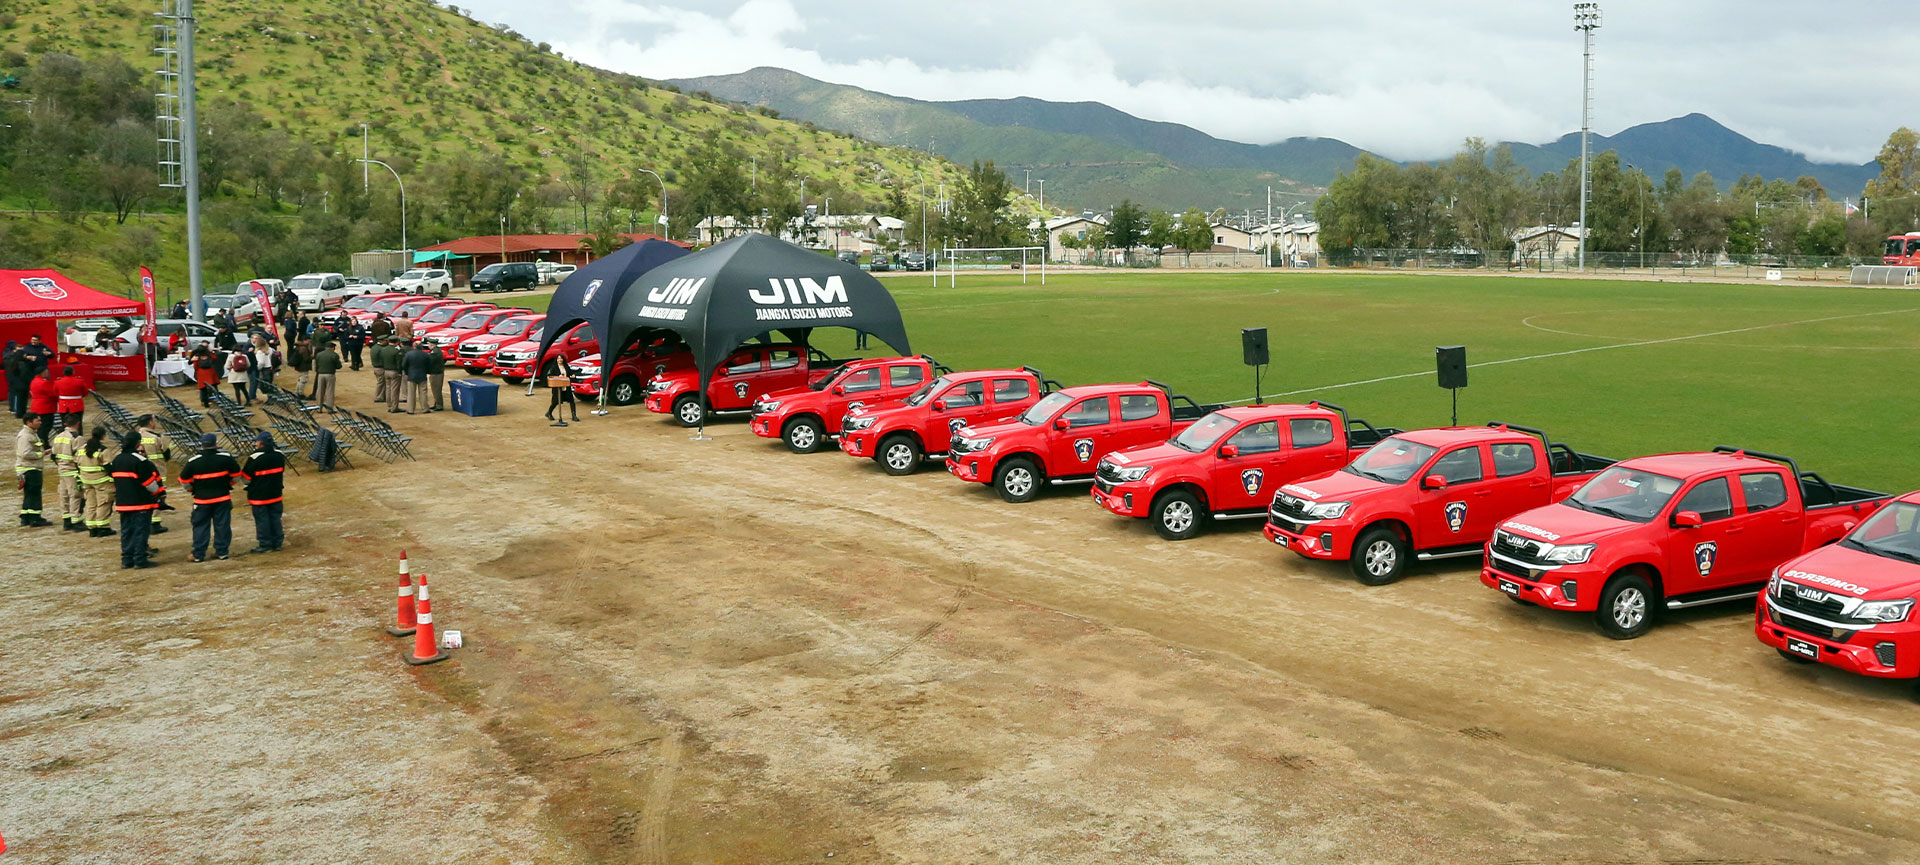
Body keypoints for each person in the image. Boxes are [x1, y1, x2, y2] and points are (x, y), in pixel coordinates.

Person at [180, 432, 238, 562]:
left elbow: (184, 480)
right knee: (222, 525)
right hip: (222, 498)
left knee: (200, 526)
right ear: (216, 443)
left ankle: (198, 554)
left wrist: (192, 489)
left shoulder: (194, 461)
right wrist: (228, 485)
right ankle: (222, 552)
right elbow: (236, 475)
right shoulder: (226, 458)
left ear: (202, 445)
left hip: (202, 500)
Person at [108, 430, 162, 568]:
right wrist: (158, 493)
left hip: (123, 503)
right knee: (140, 532)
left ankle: (127, 560)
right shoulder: (140, 461)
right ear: (138, 443)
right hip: (140, 504)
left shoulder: (117, 459)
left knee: (127, 532)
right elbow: (150, 484)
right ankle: (140, 560)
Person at [240, 430, 286, 553]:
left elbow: (245, 478)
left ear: (261, 444)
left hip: (259, 495)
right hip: (276, 493)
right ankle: (277, 542)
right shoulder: (280, 455)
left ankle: (265, 544)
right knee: (275, 518)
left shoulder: (255, 457)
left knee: (262, 520)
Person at [75, 425, 115, 537]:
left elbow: (76, 464)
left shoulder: (82, 449)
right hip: (101, 481)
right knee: (103, 503)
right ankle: (103, 528)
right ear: (103, 436)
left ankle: (92, 528)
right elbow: (108, 467)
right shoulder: (103, 450)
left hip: (86, 481)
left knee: (90, 503)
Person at [15, 412, 49, 527]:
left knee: (29, 493)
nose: (40, 422)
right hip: (30, 468)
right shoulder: (25, 436)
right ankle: (35, 518)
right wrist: (41, 454)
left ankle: (26, 517)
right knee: (34, 493)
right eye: (37, 421)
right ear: (29, 422)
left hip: (29, 467)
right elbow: (25, 453)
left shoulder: (31, 433)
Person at [49, 416, 83, 532]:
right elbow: (80, 456)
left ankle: (66, 519)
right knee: (75, 494)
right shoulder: (77, 438)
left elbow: (53, 455)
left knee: (64, 494)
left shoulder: (58, 437)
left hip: (61, 469)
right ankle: (76, 520)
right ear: (78, 424)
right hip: (72, 469)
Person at [542, 355, 578, 424]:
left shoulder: (566, 366)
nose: (560, 360)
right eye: (558, 358)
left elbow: (570, 373)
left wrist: (573, 375)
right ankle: (549, 412)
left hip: (566, 387)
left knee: (571, 400)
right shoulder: (554, 367)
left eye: (561, 358)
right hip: (558, 388)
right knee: (555, 401)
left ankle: (574, 415)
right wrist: (558, 377)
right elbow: (550, 376)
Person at [27, 368, 57, 448]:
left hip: (36, 406)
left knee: (40, 427)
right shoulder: (44, 383)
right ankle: (44, 444)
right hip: (46, 407)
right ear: (43, 372)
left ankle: (42, 442)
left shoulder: (33, 381)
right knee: (45, 427)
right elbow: (52, 394)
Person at [401, 340, 430, 415]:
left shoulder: (408, 354)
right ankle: (425, 408)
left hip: (411, 375)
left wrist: (407, 372)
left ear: (414, 346)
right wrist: (425, 371)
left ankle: (411, 409)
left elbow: (404, 365)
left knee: (411, 393)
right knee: (423, 393)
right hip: (422, 375)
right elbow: (429, 365)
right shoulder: (425, 355)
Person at [54, 365, 86, 432]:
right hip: (77, 405)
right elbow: (85, 392)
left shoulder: (58, 382)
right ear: (73, 372)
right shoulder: (79, 381)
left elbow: (55, 393)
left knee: (64, 424)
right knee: (78, 424)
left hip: (63, 406)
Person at [312, 340, 341, 410]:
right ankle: (329, 408)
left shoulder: (319, 355)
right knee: (330, 391)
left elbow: (316, 365)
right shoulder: (334, 355)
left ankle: (319, 407)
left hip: (320, 374)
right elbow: (339, 366)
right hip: (330, 374)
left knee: (320, 391)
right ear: (332, 348)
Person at [3, 340, 25, 418]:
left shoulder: (9, 353)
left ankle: (15, 407)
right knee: (13, 392)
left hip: (14, 375)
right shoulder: (7, 353)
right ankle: (13, 407)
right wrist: (17, 352)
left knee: (15, 392)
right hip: (11, 375)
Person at [425, 340, 447, 411]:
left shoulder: (435, 352)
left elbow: (431, 361)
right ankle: (437, 403)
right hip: (436, 373)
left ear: (432, 345)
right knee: (435, 389)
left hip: (436, 373)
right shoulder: (435, 351)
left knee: (436, 389)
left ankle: (439, 405)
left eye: (429, 344)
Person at [369, 336, 392, 404]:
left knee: (381, 383)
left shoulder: (374, 347)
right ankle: (379, 397)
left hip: (376, 367)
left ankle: (381, 396)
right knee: (381, 383)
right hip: (380, 368)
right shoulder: (381, 349)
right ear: (383, 341)